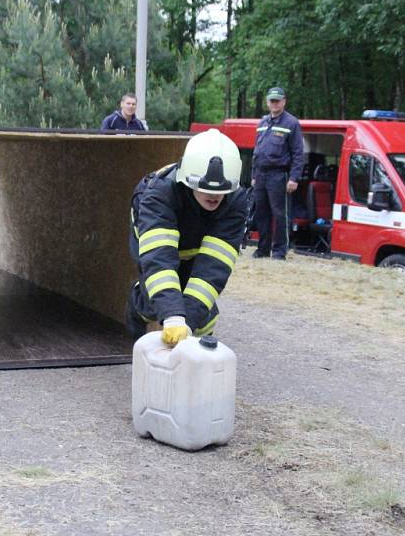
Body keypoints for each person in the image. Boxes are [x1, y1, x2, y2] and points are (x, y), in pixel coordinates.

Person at [126, 129, 247, 346]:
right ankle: (136, 308)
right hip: (155, 245)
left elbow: (214, 266)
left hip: (194, 247)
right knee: (155, 303)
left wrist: (188, 324)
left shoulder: (236, 201)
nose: (214, 196)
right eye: (206, 189)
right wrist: (172, 317)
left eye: (222, 191)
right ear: (188, 181)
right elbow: (159, 259)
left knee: (203, 315)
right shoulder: (158, 195)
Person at [250, 86, 304, 260]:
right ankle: (263, 249)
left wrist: (294, 178)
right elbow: (256, 151)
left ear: (284, 101)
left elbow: (298, 153)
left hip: (279, 175)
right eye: (271, 100)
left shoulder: (291, 123)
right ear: (267, 102)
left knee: (280, 214)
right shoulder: (262, 123)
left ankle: (280, 251)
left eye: (277, 100)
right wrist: (253, 175)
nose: (274, 103)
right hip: (260, 174)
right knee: (261, 213)